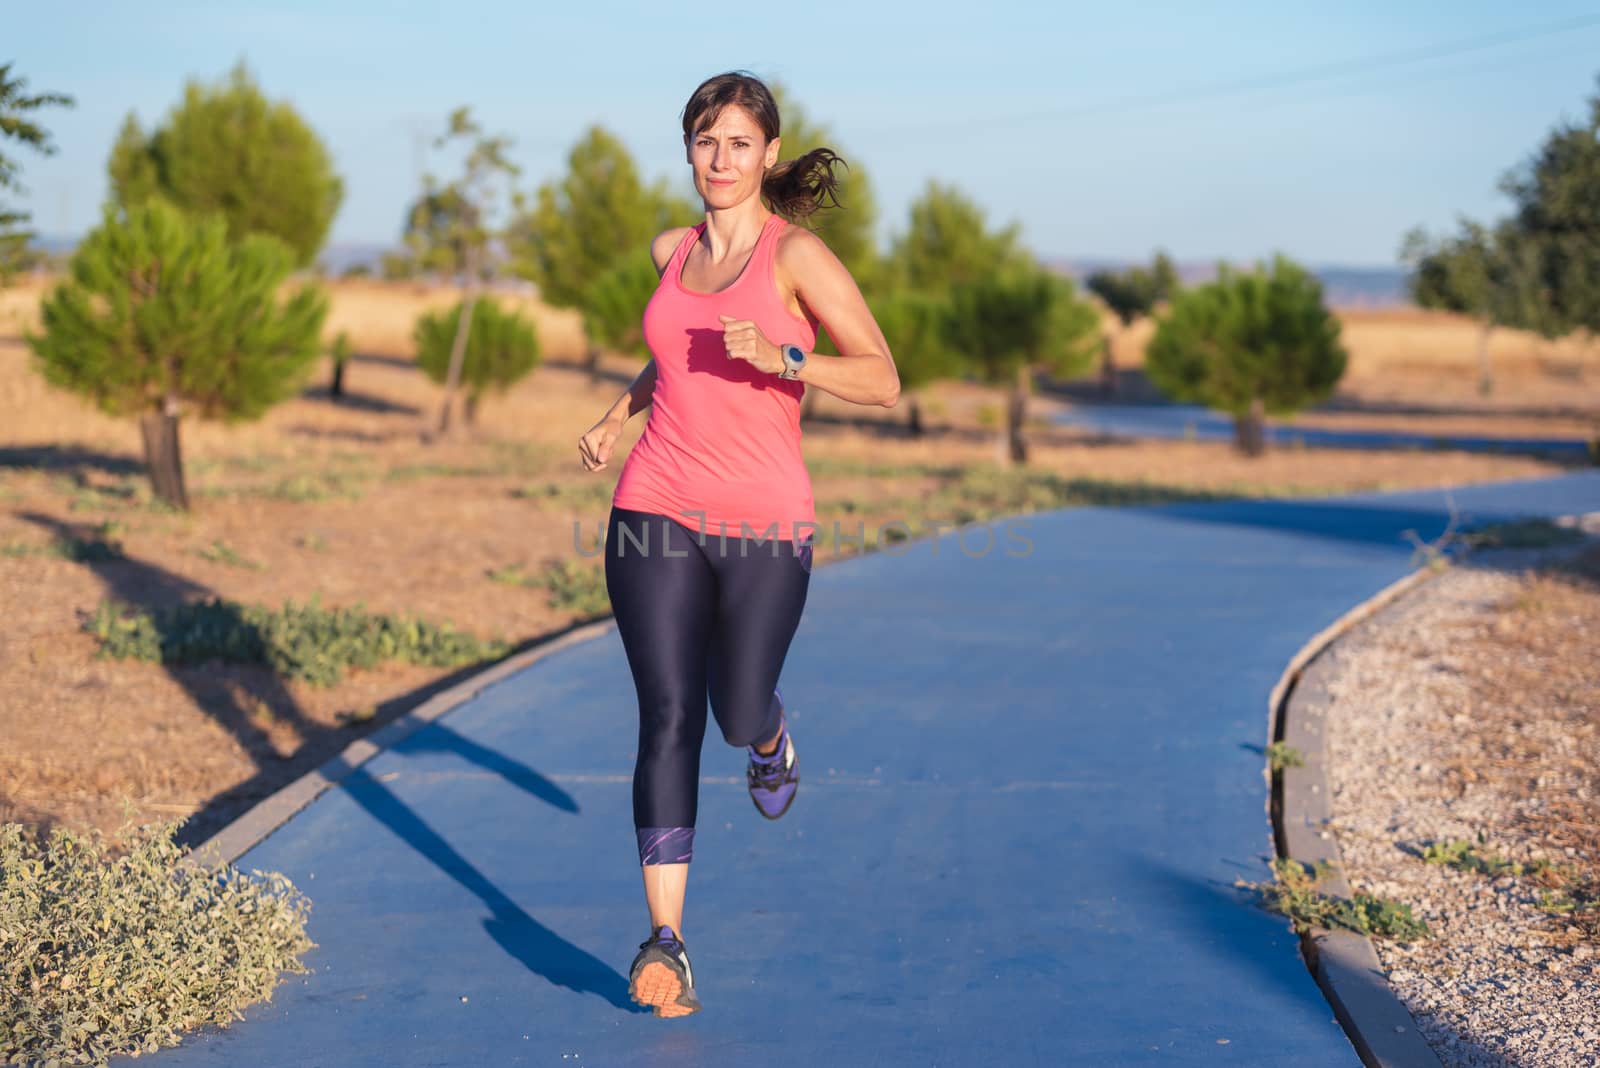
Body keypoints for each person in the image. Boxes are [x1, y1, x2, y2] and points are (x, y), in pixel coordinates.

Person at [576, 70, 899, 1018]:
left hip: (763, 519)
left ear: (768, 154)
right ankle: (666, 942)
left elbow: (883, 378)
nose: (722, 159)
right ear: (688, 149)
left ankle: (769, 736)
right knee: (667, 714)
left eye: (740, 144)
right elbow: (673, 355)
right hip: (655, 505)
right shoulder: (670, 250)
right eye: (707, 141)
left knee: (733, 708)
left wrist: (788, 356)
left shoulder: (797, 257)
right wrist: (616, 418)